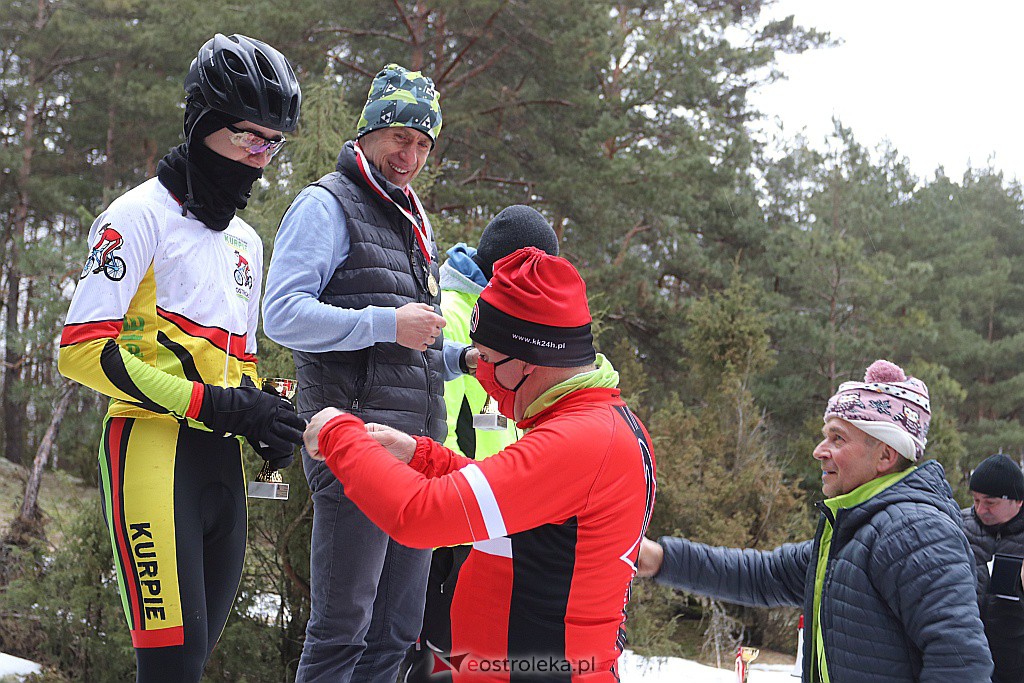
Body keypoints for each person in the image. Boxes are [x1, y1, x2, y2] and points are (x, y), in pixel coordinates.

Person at [58, 34, 304, 683]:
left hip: (221, 465)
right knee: (170, 670)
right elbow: (79, 352)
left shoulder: (247, 241)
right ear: (201, 124)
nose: (259, 158)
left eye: (273, 143)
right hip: (149, 449)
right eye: (247, 137)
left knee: (191, 668)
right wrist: (213, 404)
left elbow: (240, 365)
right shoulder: (137, 216)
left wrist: (265, 416)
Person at [303, 247, 657, 682]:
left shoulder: (581, 442)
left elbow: (418, 515)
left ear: (527, 361)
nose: (481, 374)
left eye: (487, 359)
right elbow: (509, 497)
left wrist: (338, 432)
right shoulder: (596, 425)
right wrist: (419, 455)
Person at [262, 63, 464, 683]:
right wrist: (385, 323)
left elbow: (410, 343)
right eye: (400, 137)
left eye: (424, 144)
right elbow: (281, 315)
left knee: (398, 633)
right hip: (353, 447)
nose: (411, 156)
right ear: (369, 130)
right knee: (343, 630)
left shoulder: (411, 216)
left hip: (415, 454)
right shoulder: (325, 204)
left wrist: (461, 359)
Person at [637, 359, 993, 683]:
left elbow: (962, 664)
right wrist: (660, 559)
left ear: (885, 455)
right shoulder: (855, 531)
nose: (819, 451)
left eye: (837, 438)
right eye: (826, 436)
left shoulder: (915, 532)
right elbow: (764, 575)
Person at [403, 206, 561, 682]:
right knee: (436, 664)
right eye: (534, 274)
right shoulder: (452, 314)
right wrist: (457, 513)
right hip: (456, 525)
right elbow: (439, 425)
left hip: (497, 520)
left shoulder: (513, 320)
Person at [962, 453, 1024, 683]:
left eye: (990, 503)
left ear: (1018, 501)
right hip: (967, 658)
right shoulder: (957, 526)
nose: (980, 510)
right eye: (976, 501)